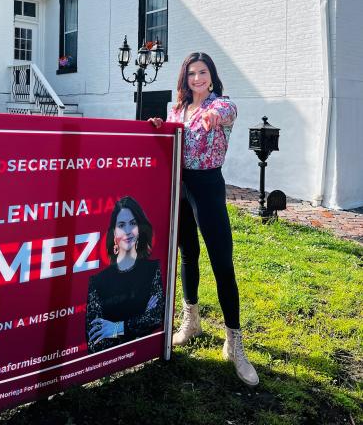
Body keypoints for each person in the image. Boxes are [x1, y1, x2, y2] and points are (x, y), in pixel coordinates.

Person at [149, 52, 259, 387]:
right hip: (179, 187)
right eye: (191, 73)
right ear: (185, 78)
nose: (197, 78)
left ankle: (234, 343)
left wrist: (213, 114)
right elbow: (171, 139)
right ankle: (191, 321)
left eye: (203, 73)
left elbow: (227, 111)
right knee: (188, 256)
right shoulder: (177, 109)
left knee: (222, 264)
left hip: (208, 187)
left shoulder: (220, 105)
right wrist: (160, 128)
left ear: (211, 77)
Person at [86, 196, 165, 354]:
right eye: (121, 225)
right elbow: (95, 343)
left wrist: (115, 328)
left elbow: (157, 318)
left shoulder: (152, 269)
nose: (128, 231)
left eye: (133, 223)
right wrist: (141, 316)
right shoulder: (98, 282)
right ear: (114, 233)